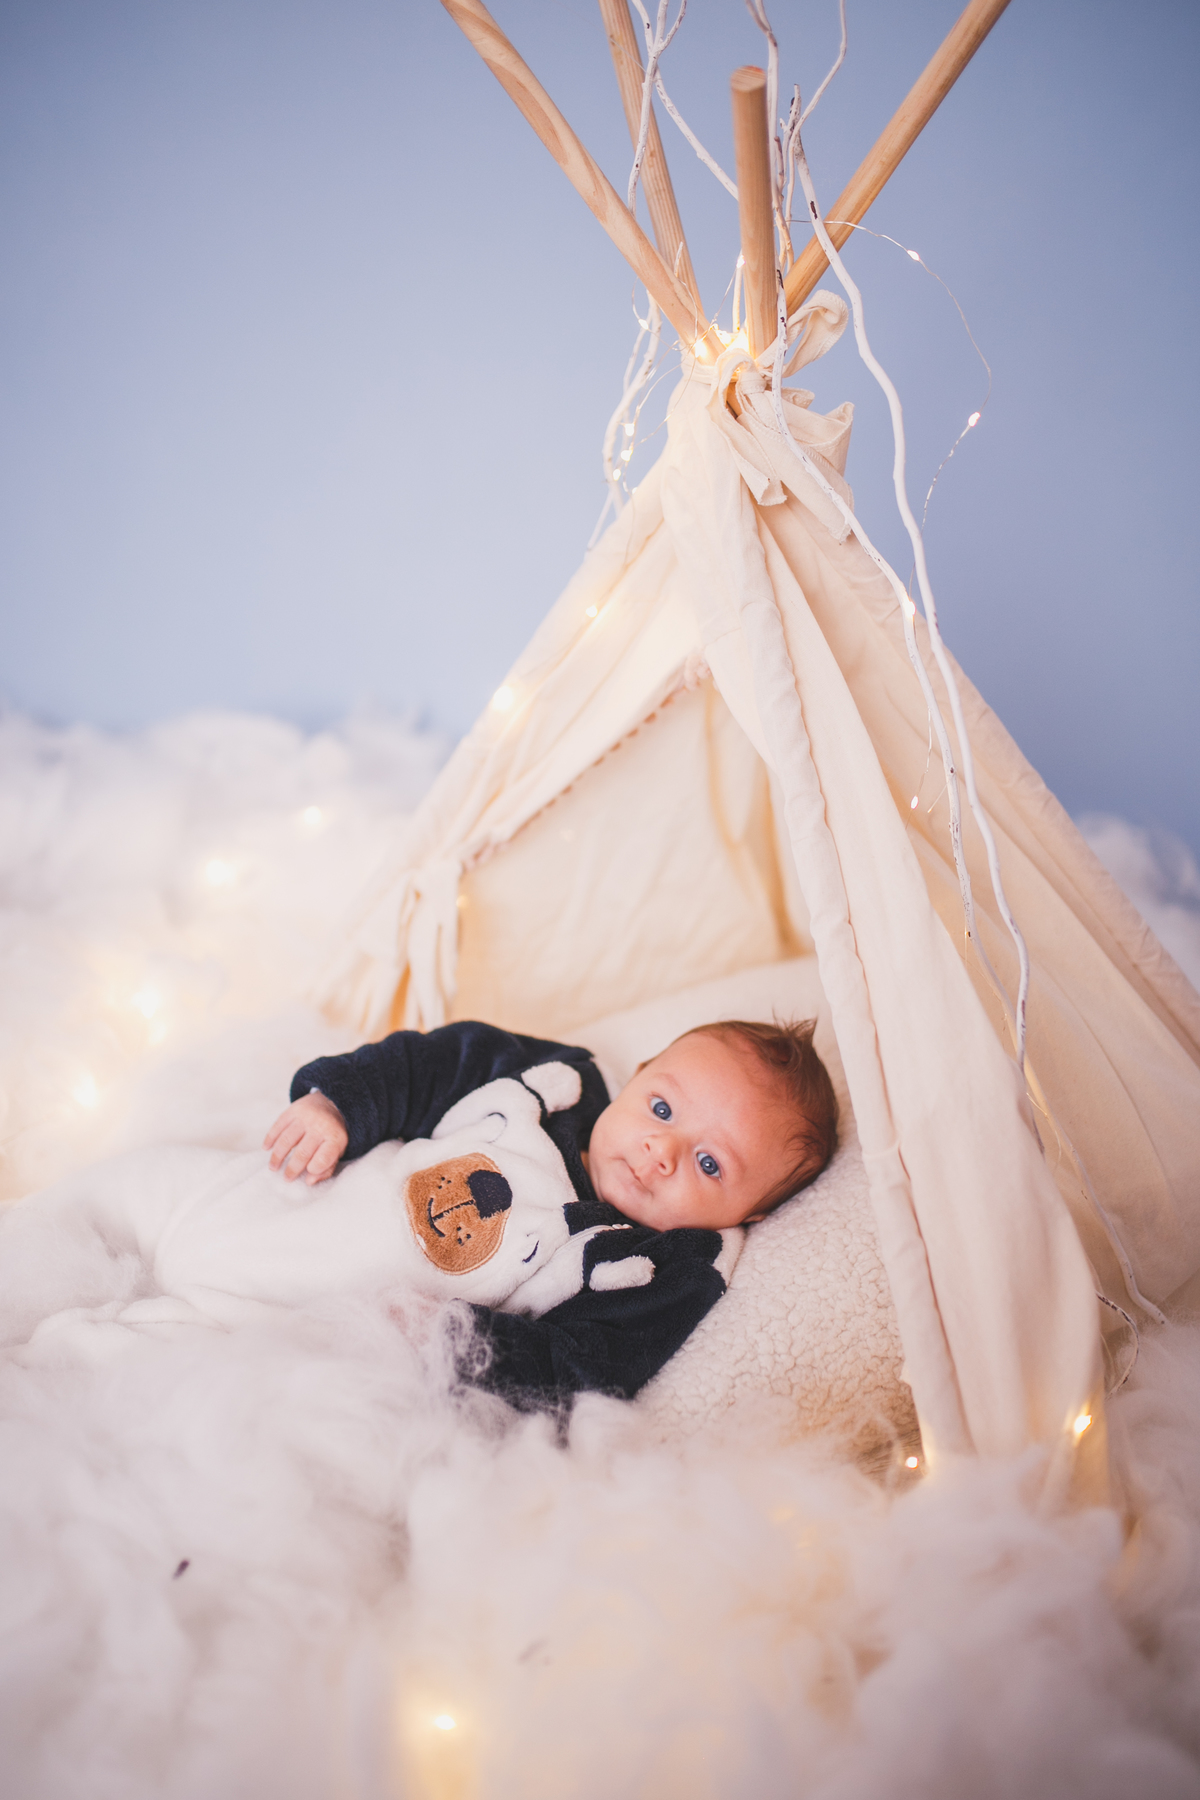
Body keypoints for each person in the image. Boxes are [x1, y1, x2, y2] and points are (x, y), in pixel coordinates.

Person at [264, 1017, 837, 1408]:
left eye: (709, 1164)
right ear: (635, 1077)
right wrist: (338, 1105)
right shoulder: (555, 1086)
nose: (660, 1153)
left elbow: (586, 1371)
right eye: (660, 1108)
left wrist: (451, 1339)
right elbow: (434, 1063)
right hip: (309, 1193)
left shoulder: (658, 1269)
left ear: (749, 1215)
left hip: (347, 1348)